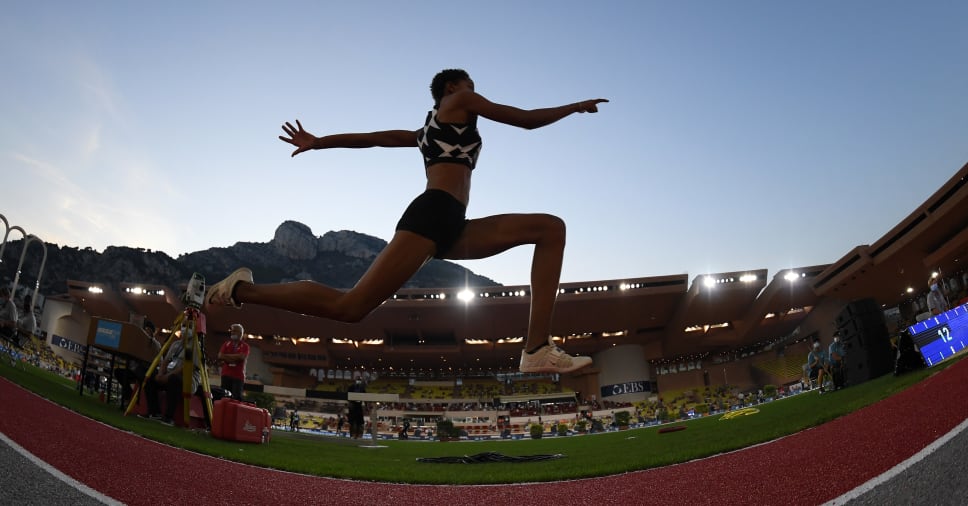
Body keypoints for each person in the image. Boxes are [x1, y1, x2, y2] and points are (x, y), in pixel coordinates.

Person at [206, 69, 607, 374]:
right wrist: (571, 108)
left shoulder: (424, 132)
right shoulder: (459, 101)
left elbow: (373, 138)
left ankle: (536, 348)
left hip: (452, 223)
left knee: (550, 228)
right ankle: (240, 290)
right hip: (433, 214)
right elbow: (522, 119)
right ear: (453, 88)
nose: (473, 91)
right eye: (468, 84)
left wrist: (319, 141)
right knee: (350, 307)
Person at [142, 330, 201, 426]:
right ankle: (154, 412)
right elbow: (165, 361)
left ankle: (169, 417)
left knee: (174, 379)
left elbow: (186, 367)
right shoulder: (176, 344)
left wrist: (167, 377)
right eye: (183, 325)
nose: (184, 329)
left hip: (187, 381)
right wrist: (160, 374)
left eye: (188, 326)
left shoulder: (195, 347)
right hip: (169, 375)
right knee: (150, 375)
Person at [114, 320, 162, 408]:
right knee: (118, 372)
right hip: (134, 370)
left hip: (146, 372)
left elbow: (160, 362)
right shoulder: (137, 342)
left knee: (141, 374)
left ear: (150, 331)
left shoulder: (156, 345)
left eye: (145, 330)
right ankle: (129, 395)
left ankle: (133, 401)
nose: (144, 332)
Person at [217, 323, 249, 400]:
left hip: (238, 376)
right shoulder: (226, 344)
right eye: (232, 331)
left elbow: (241, 357)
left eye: (235, 331)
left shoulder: (245, 346)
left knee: (236, 398)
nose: (232, 333)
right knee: (224, 397)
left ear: (240, 333)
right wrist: (235, 357)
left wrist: (226, 357)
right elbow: (220, 356)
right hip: (226, 374)